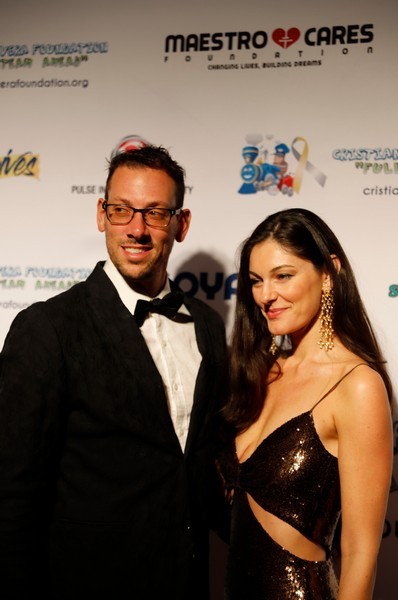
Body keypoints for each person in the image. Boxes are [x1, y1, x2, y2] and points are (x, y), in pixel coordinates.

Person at [0, 145, 229, 600]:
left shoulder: (207, 325)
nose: (136, 230)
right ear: (101, 214)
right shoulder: (48, 328)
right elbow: (12, 495)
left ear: (181, 224)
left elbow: (203, 469)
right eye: (122, 210)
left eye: (155, 213)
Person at [218, 208, 393, 599]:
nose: (266, 295)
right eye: (256, 281)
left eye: (283, 276)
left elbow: (360, 553)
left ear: (328, 273)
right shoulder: (261, 373)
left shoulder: (357, 386)